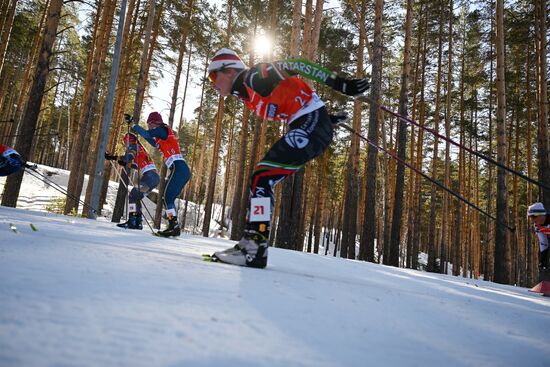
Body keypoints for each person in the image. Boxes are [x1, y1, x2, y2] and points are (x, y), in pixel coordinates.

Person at [207, 48, 369, 268]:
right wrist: (326, 119)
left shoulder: (254, 77)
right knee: (262, 178)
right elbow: (293, 99)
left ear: (229, 71)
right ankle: (251, 244)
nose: (213, 83)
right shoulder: (247, 95)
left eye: (214, 76)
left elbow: (300, 65)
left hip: (309, 125)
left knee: (262, 177)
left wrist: (341, 84)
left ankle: (255, 248)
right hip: (309, 124)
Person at [132, 112, 191, 237]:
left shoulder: (162, 129)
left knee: (166, 196)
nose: (148, 127)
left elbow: (148, 134)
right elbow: (152, 141)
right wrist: (138, 133)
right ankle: (173, 225)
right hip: (180, 170)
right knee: (167, 198)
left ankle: (173, 226)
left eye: (149, 124)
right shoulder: (161, 135)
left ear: (154, 122)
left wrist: (135, 126)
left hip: (179, 168)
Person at [105, 132, 160, 230]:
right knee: (136, 197)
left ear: (128, 140)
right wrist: (126, 164)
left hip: (149, 177)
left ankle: (132, 221)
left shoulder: (134, 146)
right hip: (154, 178)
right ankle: (138, 222)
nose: (125, 145)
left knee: (132, 196)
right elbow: (138, 165)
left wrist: (114, 157)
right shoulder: (142, 149)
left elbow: (129, 157)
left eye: (125, 142)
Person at [527, 202, 550, 270]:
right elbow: (543, 242)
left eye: (533, 217)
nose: (532, 220)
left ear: (541, 215)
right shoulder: (537, 226)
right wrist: (543, 260)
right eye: (530, 217)